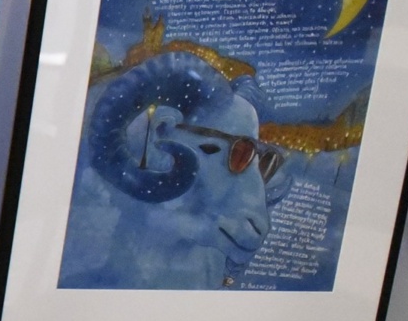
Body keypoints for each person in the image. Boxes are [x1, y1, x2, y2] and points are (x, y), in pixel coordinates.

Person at [58, 50, 290, 290]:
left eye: (255, 157)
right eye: (238, 153)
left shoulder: (206, 253)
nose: (260, 220)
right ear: (163, 128)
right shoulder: (85, 216)